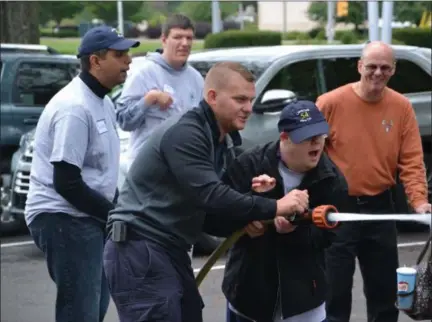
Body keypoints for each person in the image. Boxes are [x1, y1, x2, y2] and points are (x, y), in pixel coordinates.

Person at [103, 62, 308, 322]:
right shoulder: (188, 133)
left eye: (251, 100)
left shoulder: (221, 141)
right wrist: (276, 206)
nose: (248, 108)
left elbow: (209, 214)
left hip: (168, 249)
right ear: (212, 97)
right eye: (240, 99)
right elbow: (210, 195)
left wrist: (245, 221)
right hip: (140, 247)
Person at [24, 26, 139, 322]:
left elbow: (99, 172)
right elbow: (67, 182)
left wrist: (117, 209)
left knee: (95, 306)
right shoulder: (74, 107)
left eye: (128, 53)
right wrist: (114, 214)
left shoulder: (102, 100)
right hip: (62, 217)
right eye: (119, 54)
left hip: (85, 216)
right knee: (81, 311)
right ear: (95, 61)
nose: (129, 60)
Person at [202, 100, 355, 322]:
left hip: (304, 306)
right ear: (284, 137)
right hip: (248, 298)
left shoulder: (331, 179)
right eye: (307, 136)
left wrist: (295, 232)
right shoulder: (249, 165)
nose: (316, 142)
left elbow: (334, 236)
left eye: (320, 134)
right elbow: (213, 219)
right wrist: (247, 218)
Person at [315, 41, 432, 322]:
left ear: (393, 70)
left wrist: (419, 202)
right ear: (359, 67)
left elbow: (412, 162)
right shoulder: (330, 103)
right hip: (337, 210)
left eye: (384, 67)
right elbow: (310, 156)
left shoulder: (402, 107)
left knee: (385, 297)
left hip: (380, 208)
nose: (377, 73)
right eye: (371, 66)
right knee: (335, 295)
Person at [116, 13, 204, 169]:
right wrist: (149, 99)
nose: (184, 43)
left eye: (189, 38)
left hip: (181, 168)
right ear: (164, 40)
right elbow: (124, 121)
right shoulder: (144, 73)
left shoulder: (196, 79)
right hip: (147, 169)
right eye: (178, 37)